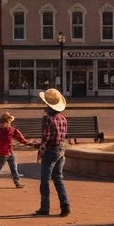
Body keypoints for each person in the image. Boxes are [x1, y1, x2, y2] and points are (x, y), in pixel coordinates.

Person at [33, 88, 71, 217]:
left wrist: (40, 151)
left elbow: (46, 138)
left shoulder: (48, 120)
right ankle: (65, 205)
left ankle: (45, 208)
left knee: (44, 181)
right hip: (61, 149)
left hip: (50, 151)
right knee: (58, 178)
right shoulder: (63, 119)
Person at [0, 112, 28, 188]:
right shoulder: (11, 130)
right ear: (8, 122)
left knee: (0, 166)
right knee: (13, 167)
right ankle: (16, 181)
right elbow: (22, 139)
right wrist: (30, 143)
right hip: (7, 151)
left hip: (3, 151)